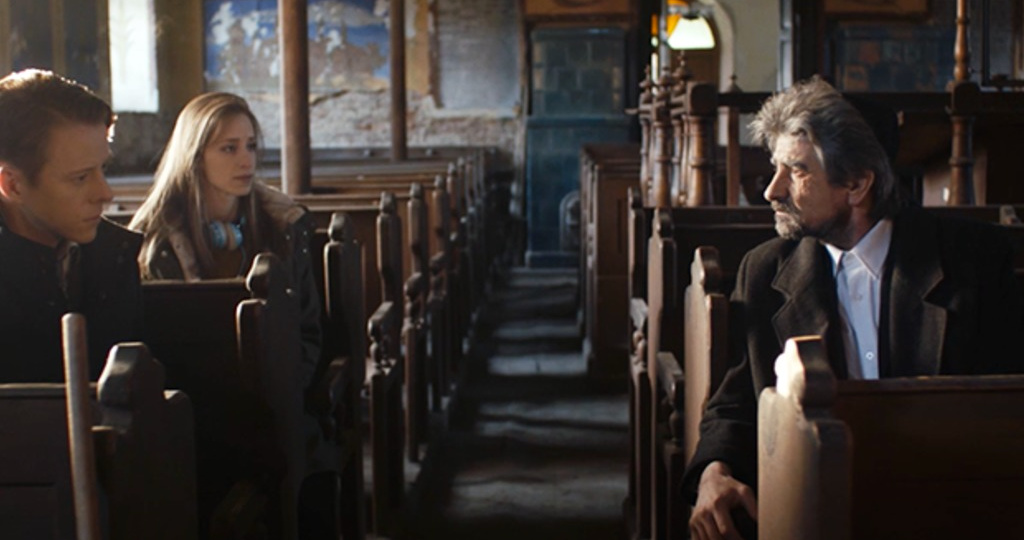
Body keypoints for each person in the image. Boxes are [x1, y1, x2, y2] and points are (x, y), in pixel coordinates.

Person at [685, 76, 1023, 540]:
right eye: (775, 167)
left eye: (796, 170)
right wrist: (712, 474)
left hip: (949, 503)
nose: (772, 190)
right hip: (815, 509)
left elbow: (1005, 403)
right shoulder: (763, 272)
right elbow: (736, 402)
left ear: (858, 184)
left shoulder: (973, 262)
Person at [129, 92, 321, 388]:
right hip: (192, 398)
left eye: (251, 146)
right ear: (194, 156)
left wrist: (284, 391)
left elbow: (306, 331)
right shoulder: (158, 240)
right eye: (229, 149)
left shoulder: (283, 226)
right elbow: (157, 345)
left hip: (278, 393)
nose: (247, 160)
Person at [0, 69, 142, 383]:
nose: (105, 193)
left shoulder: (114, 255)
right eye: (80, 178)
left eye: (102, 170)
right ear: (12, 185)